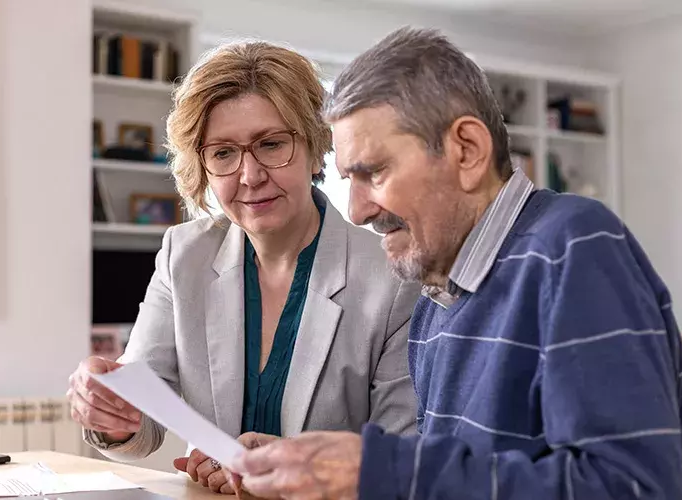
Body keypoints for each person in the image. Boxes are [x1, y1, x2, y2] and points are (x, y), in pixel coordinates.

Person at [228, 26, 682, 499]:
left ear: (467, 151)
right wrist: (308, 468)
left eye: (374, 173)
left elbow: (637, 489)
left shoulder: (573, 248)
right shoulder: (436, 295)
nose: (357, 210)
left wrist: (381, 472)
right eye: (349, 180)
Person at [66, 40, 420, 495]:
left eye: (271, 144)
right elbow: (142, 423)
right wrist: (112, 413)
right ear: (202, 167)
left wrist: (284, 469)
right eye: (223, 153)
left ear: (315, 149)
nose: (249, 175)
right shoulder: (183, 255)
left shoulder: (392, 278)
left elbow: (402, 455)